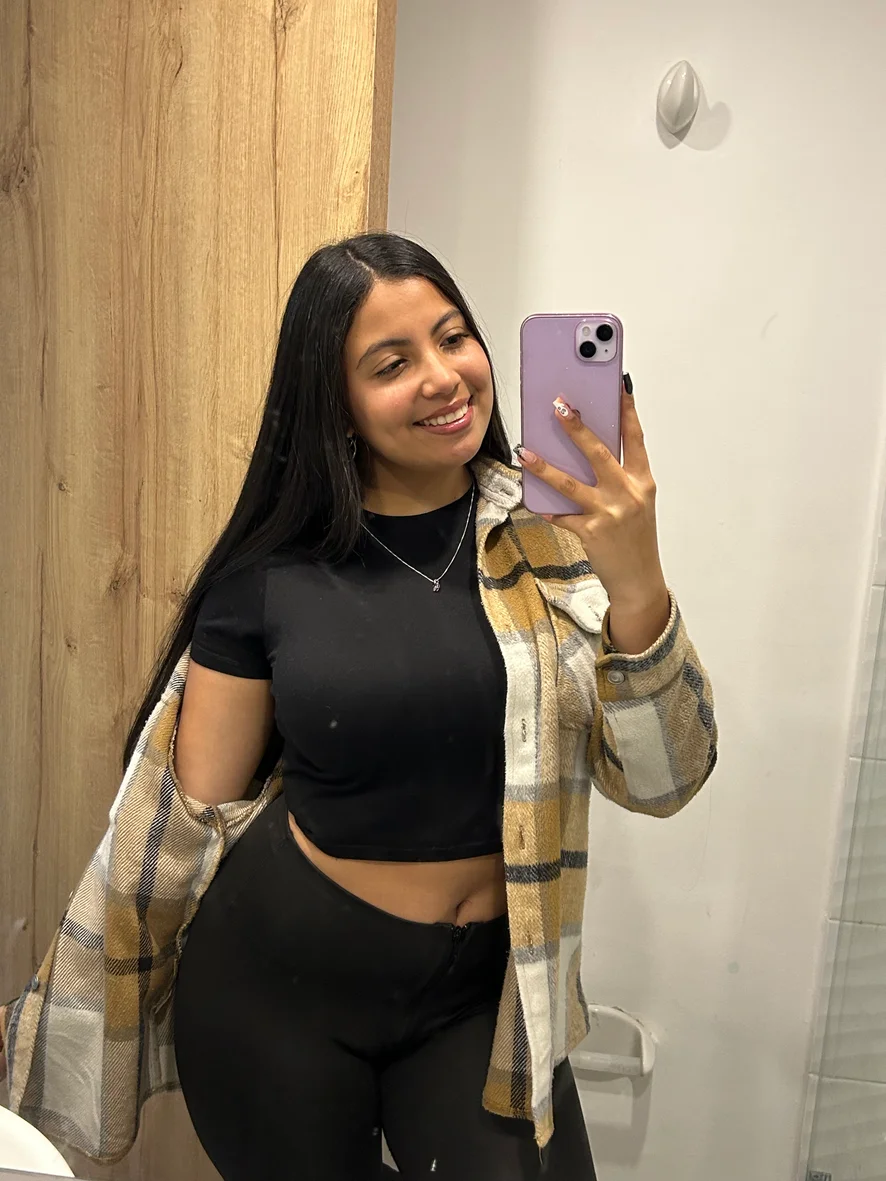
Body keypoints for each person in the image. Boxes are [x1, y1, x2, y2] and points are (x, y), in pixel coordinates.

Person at [1, 234, 717, 1181]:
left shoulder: (555, 541)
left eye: (452, 337)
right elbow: (190, 819)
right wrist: (95, 996)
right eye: (391, 363)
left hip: (481, 999)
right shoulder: (271, 577)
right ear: (333, 400)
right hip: (276, 992)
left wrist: (638, 576)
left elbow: (666, 781)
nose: (442, 376)